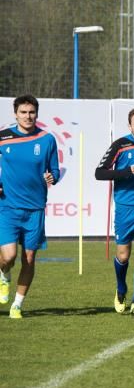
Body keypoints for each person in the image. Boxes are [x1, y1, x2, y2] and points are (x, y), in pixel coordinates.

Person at [0, 95, 61, 319]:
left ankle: (17, 304)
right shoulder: (3, 137)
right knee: (8, 256)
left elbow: (55, 170)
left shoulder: (47, 139)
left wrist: (51, 177)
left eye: (32, 112)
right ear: (15, 113)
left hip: (35, 209)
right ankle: (4, 274)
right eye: (23, 112)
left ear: (37, 113)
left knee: (29, 258)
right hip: (7, 207)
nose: (28, 116)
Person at [94, 107, 134, 317]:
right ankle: (121, 288)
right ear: (130, 126)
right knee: (123, 256)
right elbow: (99, 172)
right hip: (125, 209)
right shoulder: (120, 145)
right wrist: (125, 172)